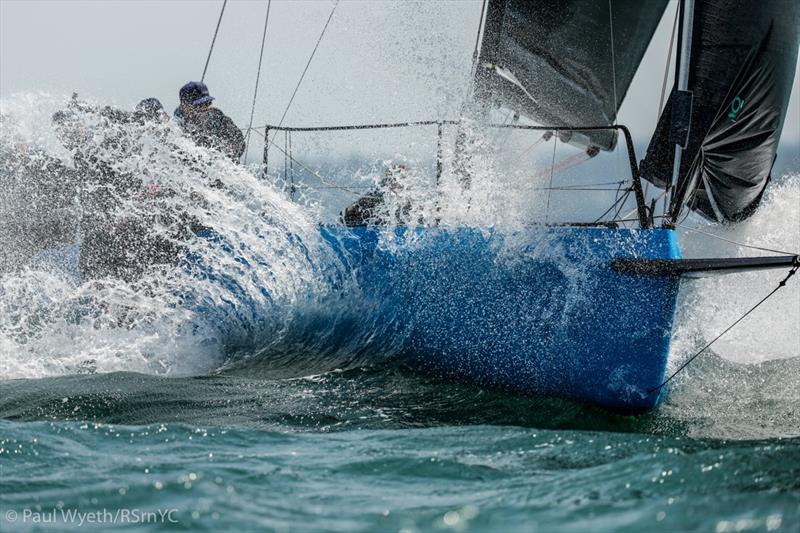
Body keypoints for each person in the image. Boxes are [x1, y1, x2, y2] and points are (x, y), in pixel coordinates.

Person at [173, 81, 245, 162]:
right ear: (185, 105)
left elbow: (239, 140)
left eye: (208, 103)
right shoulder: (176, 128)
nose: (205, 108)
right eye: (199, 105)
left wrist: (231, 151)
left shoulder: (217, 116)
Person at [341, 164, 413, 226]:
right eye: (394, 181)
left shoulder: (414, 205)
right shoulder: (372, 198)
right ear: (387, 182)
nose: (399, 186)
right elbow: (344, 216)